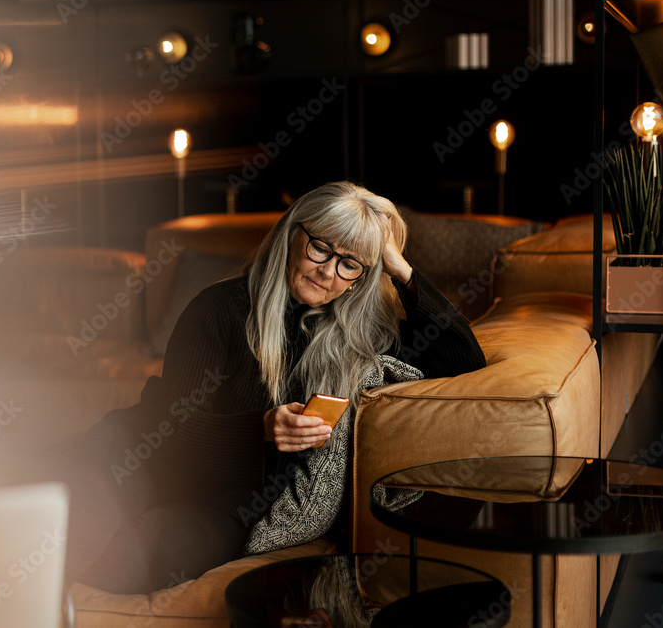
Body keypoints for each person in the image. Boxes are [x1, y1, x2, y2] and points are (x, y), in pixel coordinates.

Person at [57, 181, 486, 594]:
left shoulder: (362, 336)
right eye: (321, 247)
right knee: (56, 509)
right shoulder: (218, 308)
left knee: (157, 552)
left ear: (362, 277)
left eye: (349, 263)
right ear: (292, 234)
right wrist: (260, 429)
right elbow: (170, 433)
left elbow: (464, 359)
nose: (328, 271)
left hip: (225, 502)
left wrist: (397, 264)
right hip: (144, 458)